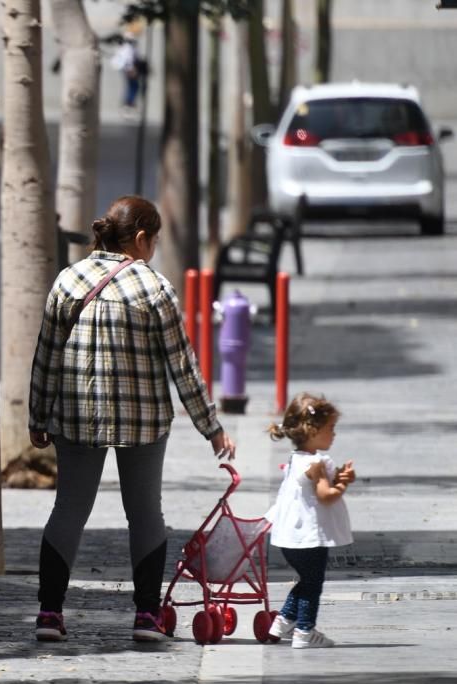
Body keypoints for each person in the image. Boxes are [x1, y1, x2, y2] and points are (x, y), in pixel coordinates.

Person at [29, 195, 236, 643]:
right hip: (143, 421)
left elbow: (45, 355)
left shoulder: (68, 280)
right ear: (141, 239)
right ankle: (146, 616)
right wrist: (211, 427)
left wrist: (37, 415)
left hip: (74, 418)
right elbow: (182, 365)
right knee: (145, 513)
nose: (155, 248)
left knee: (68, 509)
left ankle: (49, 613)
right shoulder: (154, 287)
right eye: (155, 240)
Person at [265, 392, 355, 649]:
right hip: (309, 537)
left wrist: (337, 477)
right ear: (313, 431)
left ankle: (282, 621)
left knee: (306, 579)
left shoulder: (297, 459)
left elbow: (310, 488)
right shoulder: (317, 461)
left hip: (288, 535)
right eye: (330, 428)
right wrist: (343, 484)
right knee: (313, 583)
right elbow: (325, 496)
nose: (334, 434)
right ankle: (305, 631)